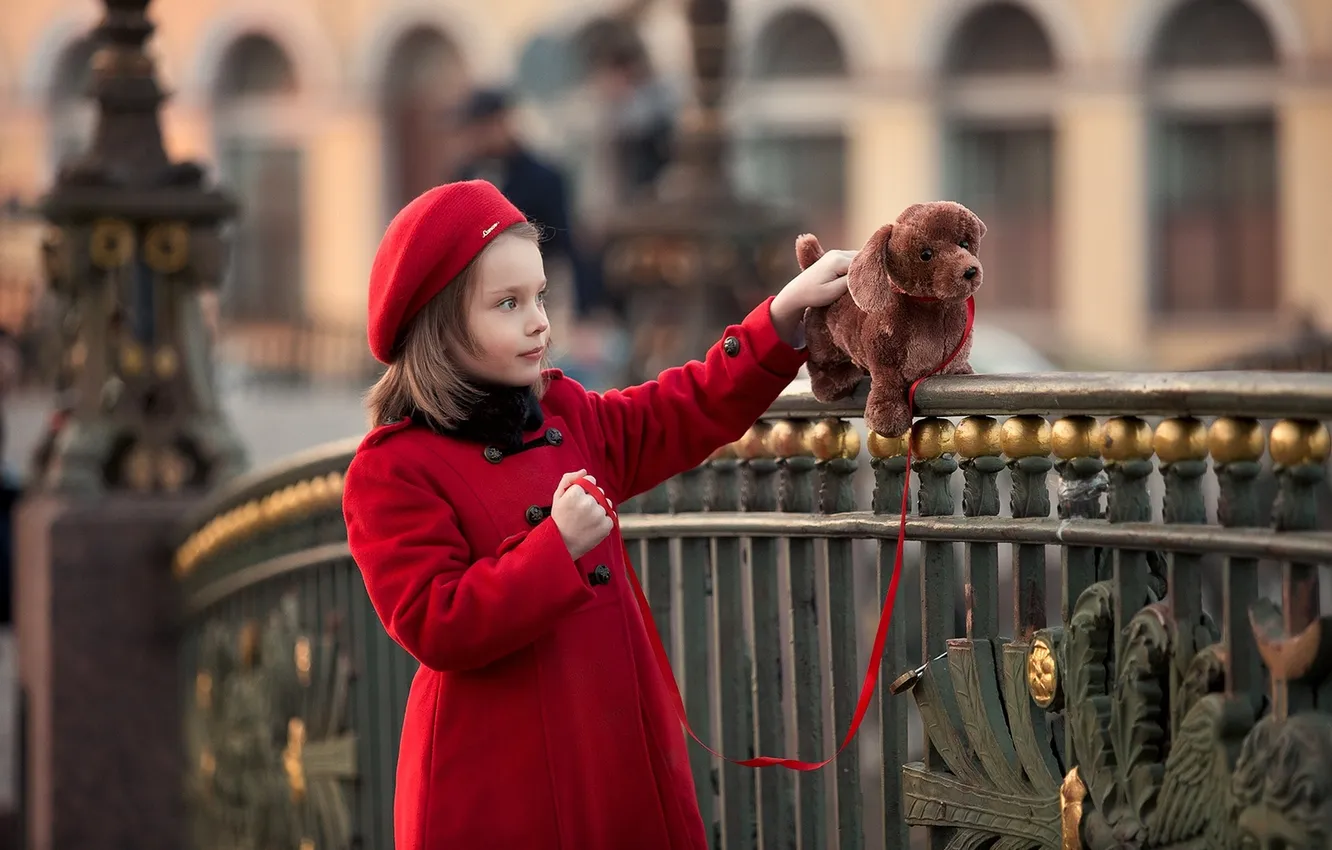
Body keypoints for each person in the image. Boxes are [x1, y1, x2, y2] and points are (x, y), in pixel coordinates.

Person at [341, 180, 854, 850]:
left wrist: (781, 317)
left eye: (540, 297)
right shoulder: (393, 469)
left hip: (610, 759)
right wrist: (556, 548)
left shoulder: (565, 414)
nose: (539, 322)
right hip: (495, 786)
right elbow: (436, 622)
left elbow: (683, 408)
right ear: (438, 326)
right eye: (507, 304)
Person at [452, 88, 607, 319]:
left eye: (482, 128)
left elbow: (564, 243)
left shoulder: (543, 176)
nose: (475, 138)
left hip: (536, 287)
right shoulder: (465, 174)